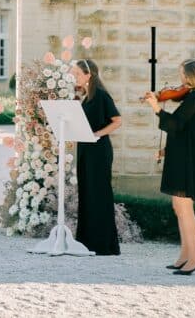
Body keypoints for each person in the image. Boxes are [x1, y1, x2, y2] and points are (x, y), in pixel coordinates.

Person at [142, 58, 195, 275]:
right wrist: (166, 150)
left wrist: (156, 108)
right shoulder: (192, 97)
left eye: (182, 74)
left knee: (185, 209)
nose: (180, 79)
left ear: (191, 76)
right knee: (178, 208)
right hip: (181, 157)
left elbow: (175, 124)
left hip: (187, 161)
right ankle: (185, 255)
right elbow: (185, 132)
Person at [71, 58, 122, 256]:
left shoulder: (101, 95)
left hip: (99, 152)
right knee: (87, 193)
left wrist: (97, 134)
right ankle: (87, 242)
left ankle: (103, 245)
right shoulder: (86, 96)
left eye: (76, 74)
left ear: (88, 75)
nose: (74, 77)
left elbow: (117, 121)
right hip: (86, 150)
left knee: (99, 194)